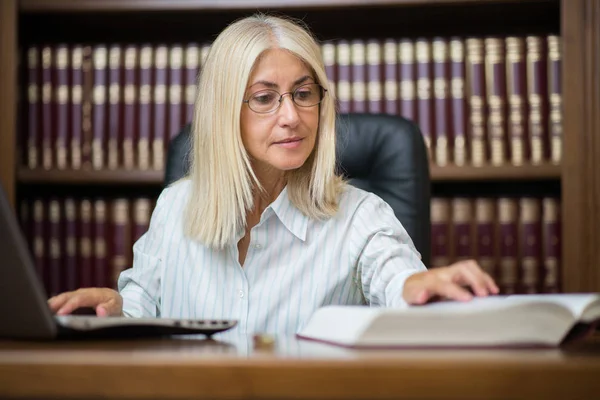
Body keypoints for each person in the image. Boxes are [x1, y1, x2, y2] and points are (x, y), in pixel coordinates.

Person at [48, 14, 498, 335]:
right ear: (227, 112)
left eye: (304, 93)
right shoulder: (176, 206)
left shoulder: (362, 216)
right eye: (264, 98)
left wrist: (417, 285)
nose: (291, 116)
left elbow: (398, 280)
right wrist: (117, 308)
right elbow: (147, 309)